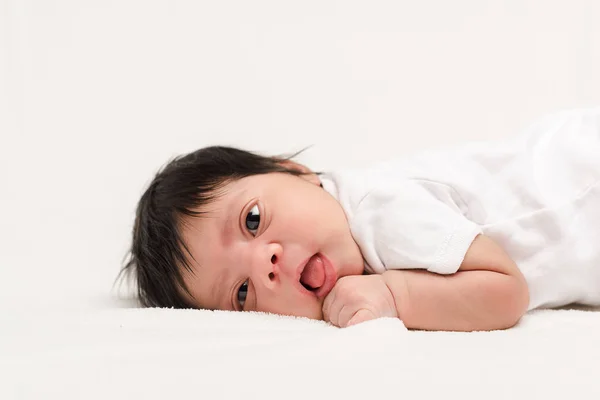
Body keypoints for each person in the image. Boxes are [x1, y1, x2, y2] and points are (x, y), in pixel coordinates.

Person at [121, 107, 600, 331]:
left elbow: (505, 290)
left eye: (252, 220)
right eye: (241, 293)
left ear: (296, 172)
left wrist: (396, 295)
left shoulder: (377, 211)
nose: (265, 262)